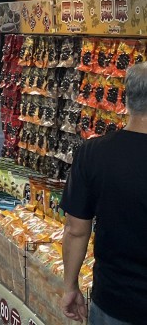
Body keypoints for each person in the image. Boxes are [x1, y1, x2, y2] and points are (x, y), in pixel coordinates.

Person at [60, 62, 147, 324]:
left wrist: (70, 286)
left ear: (125, 99)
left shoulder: (94, 153)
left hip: (114, 300)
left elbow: (76, 229)